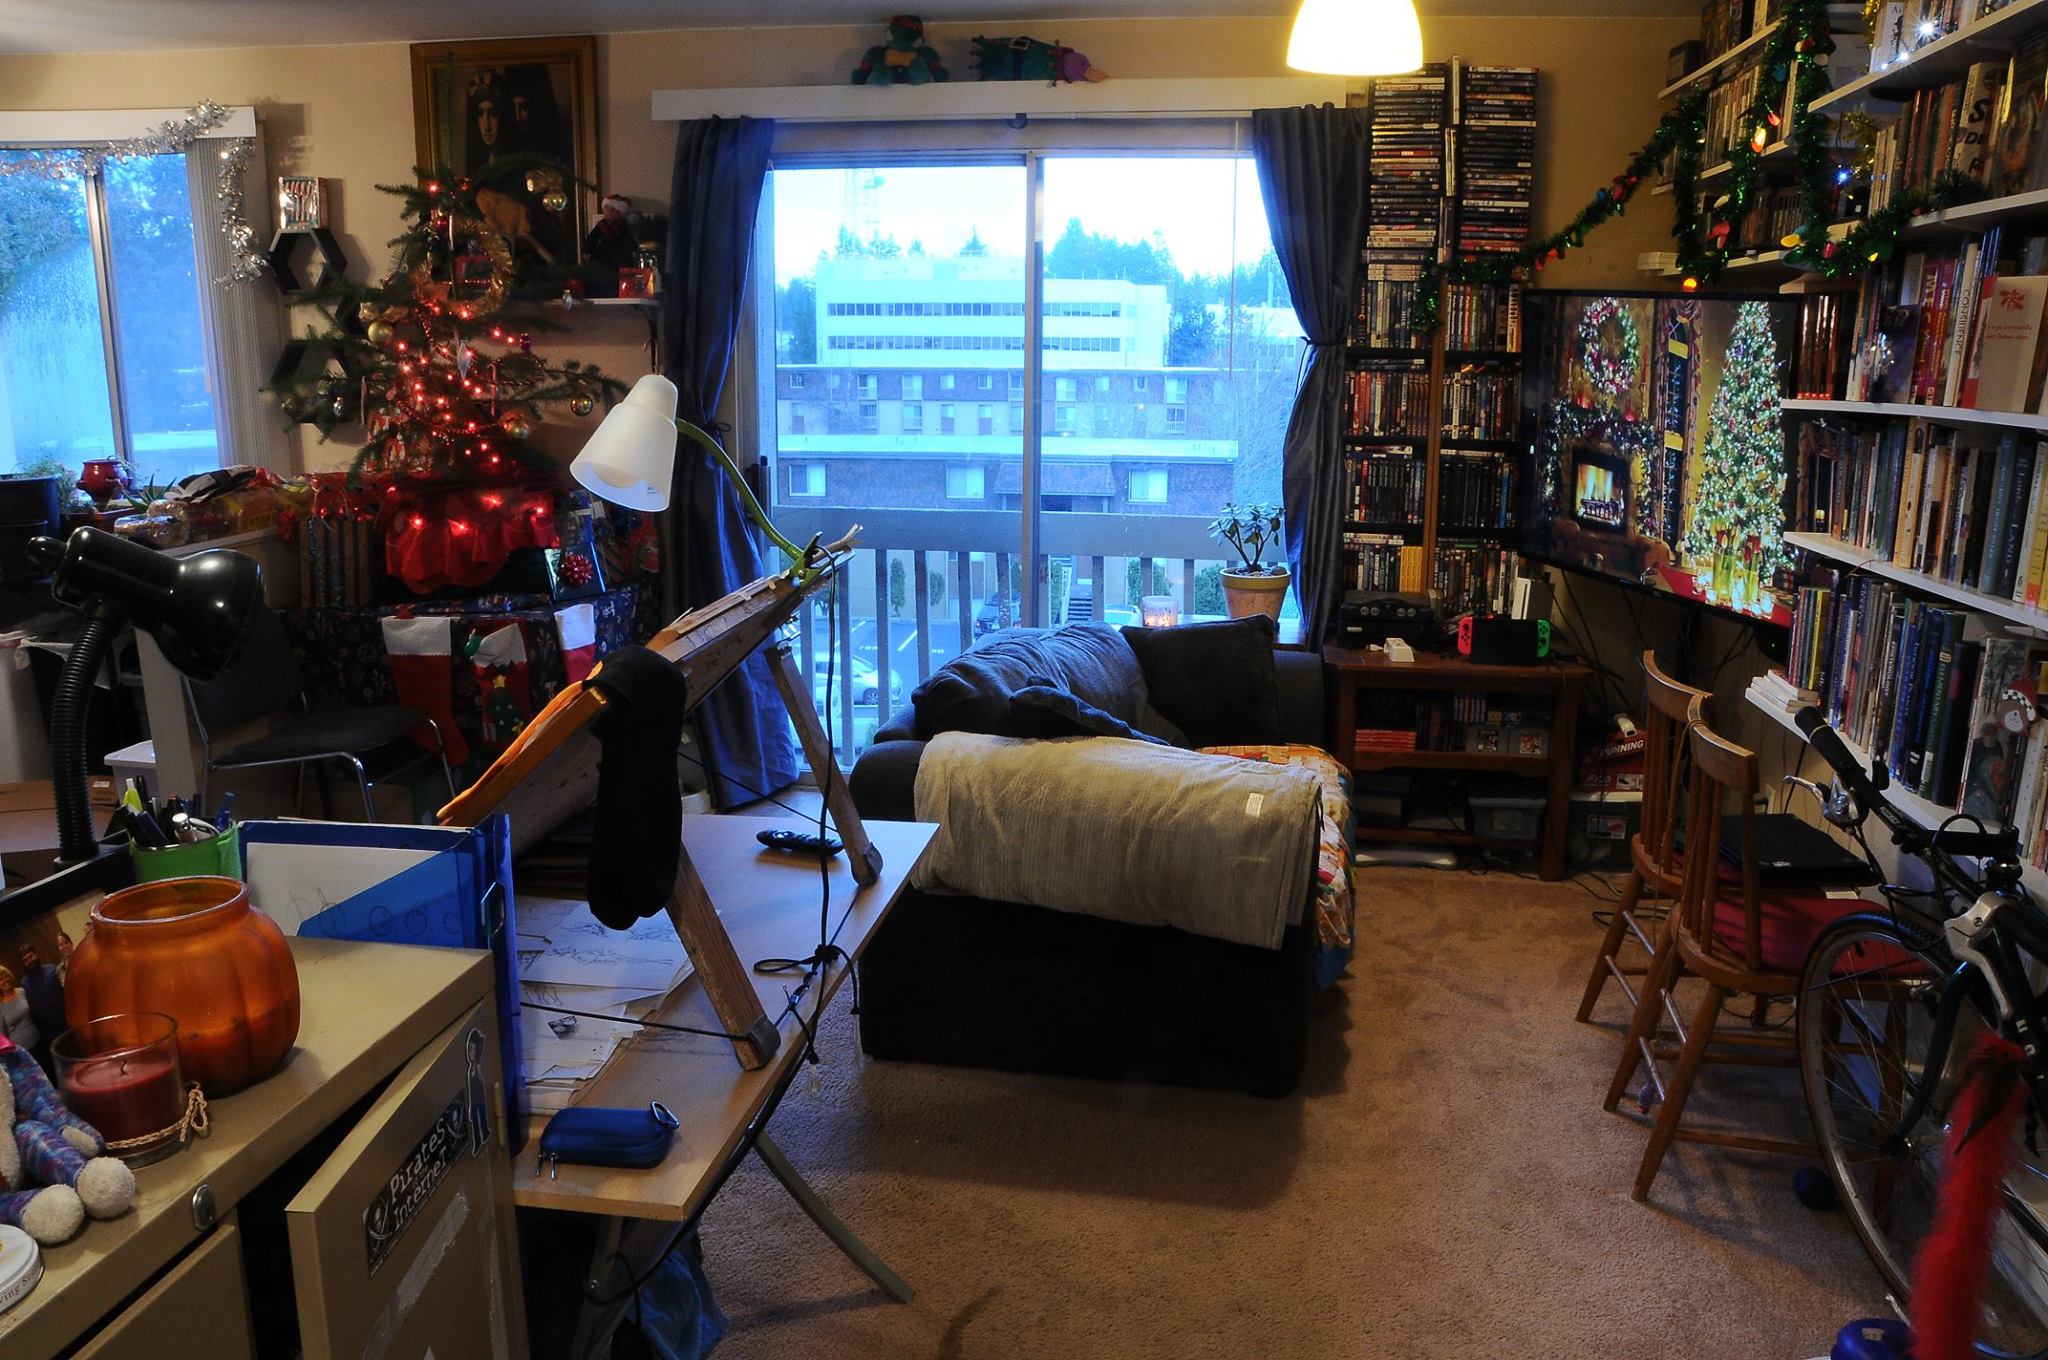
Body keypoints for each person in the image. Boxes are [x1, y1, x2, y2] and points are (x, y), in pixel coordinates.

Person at [17, 945, 63, 1072]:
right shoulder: (24, 984)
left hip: (64, 1024)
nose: (29, 961)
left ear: (36, 954)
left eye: (31, 956)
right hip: (45, 1035)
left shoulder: (52, 970)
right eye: (25, 960)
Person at [0, 968, 38, 1058]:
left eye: (6, 977)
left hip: (38, 1040)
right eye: (1, 979)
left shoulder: (22, 991)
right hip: (21, 1052)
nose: (5, 980)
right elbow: (2, 1036)